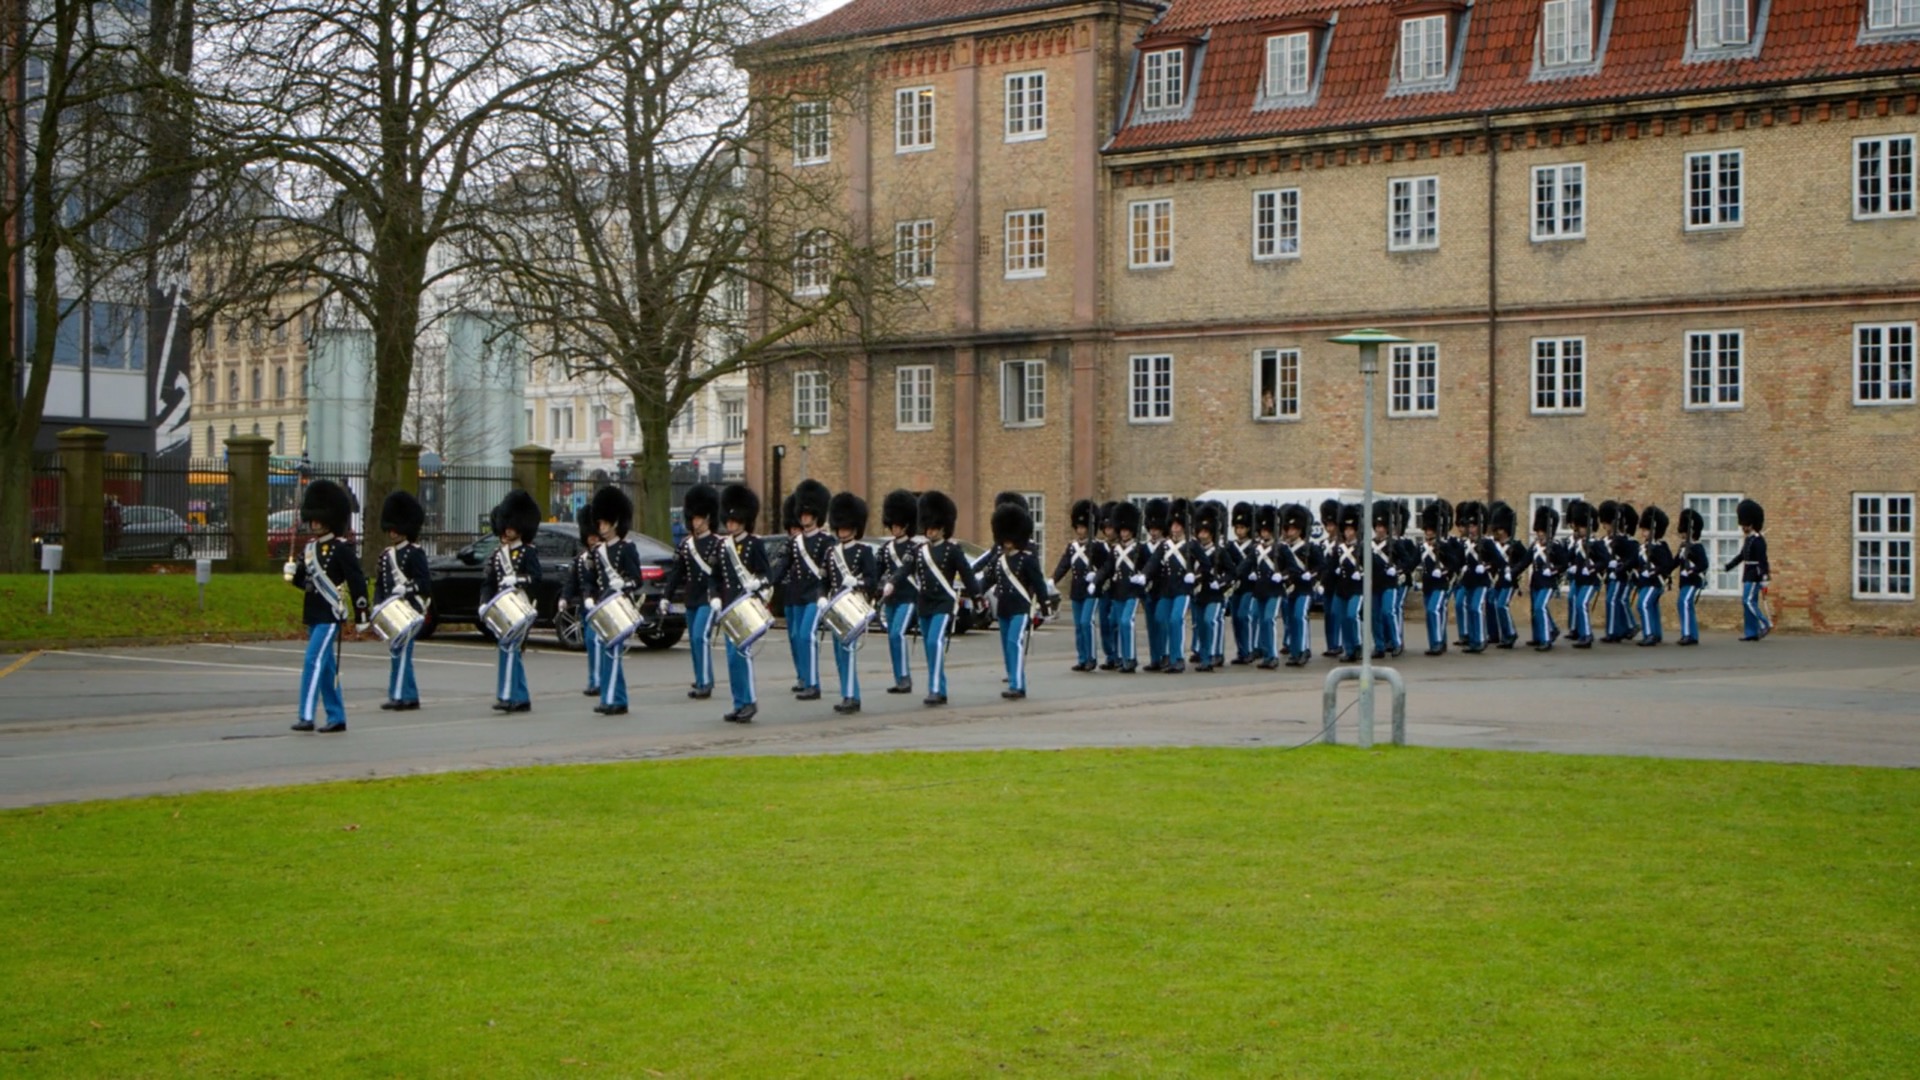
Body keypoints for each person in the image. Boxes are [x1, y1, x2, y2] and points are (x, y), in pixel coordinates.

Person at [885, 490, 980, 705]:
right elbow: (904, 570)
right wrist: (891, 583)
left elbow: (967, 574)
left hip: (943, 602)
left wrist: (978, 596)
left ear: (943, 527)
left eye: (935, 527)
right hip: (925, 603)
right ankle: (938, 686)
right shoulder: (919, 550)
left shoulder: (952, 550)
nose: (931, 531)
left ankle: (936, 689)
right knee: (929, 646)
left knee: (934, 642)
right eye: (928, 527)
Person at [287, 479, 368, 733]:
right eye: (313, 518)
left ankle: (306, 714)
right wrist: (293, 575)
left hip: (330, 615)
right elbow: (305, 583)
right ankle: (337, 716)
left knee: (312, 660)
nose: (315, 523)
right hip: (313, 613)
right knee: (326, 667)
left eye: (319, 518)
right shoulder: (310, 549)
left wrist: (361, 614)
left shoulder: (342, 549)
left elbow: (356, 581)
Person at [714, 483, 772, 722]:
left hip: (746, 605)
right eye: (728, 520)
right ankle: (738, 702)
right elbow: (715, 577)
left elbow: (767, 574)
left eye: (735, 520)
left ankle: (749, 701)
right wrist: (715, 597)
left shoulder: (754, 544)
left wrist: (756, 584)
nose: (731, 524)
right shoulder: (722, 546)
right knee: (731, 658)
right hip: (729, 608)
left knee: (742, 654)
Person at [661, 484, 723, 700]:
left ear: (708, 518)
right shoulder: (686, 545)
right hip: (692, 598)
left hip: (708, 598)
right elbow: (676, 574)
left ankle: (706, 683)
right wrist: (666, 597)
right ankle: (701, 677)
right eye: (693, 518)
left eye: (699, 518)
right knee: (694, 640)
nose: (696, 522)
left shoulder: (719, 544)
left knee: (699, 637)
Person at [985, 500, 1049, 699]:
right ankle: (1013, 678)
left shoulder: (1027, 559)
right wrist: (976, 593)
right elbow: (987, 580)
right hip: (1003, 608)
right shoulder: (999, 560)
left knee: (1014, 642)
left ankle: (1018, 686)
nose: (1007, 541)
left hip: (1021, 608)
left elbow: (1038, 583)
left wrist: (1044, 605)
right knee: (1007, 646)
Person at [486, 489, 543, 713]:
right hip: (502, 604)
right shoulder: (498, 554)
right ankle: (514, 695)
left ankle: (513, 695)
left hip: (519, 602)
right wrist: (484, 601)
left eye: (512, 525)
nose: (508, 530)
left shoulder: (527, 552)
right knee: (505, 647)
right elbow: (489, 581)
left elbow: (536, 577)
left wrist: (518, 580)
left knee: (513, 648)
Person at [589, 486, 643, 716]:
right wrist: (590, 598)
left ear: (614, 522)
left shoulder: (626, 548)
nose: (600, 527)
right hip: (604, 604)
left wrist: (625, 584)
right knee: (606, 651)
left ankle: (614, 699)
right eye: (599, 523)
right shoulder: (598, 551)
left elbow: (637, 579)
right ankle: (614, 698)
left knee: (612, 651)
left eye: (604, 523)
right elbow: (594, 580)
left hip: (619, 605)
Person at [375, 489, 431, 710]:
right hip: (392, 609)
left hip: (410, 608)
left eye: (397, 529)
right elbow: (380, 584)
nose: (393, 533)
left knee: (402, 651)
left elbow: (424, 583)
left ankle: (400, 695)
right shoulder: (386, 555)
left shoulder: (415, 553)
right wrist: (376, 605)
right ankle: (406, 694)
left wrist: (406, 589)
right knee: (396, 651)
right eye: (391, 529)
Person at [823, 491, 876, 714]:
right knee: (839, 654)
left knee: (849, 652)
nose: (842, 531)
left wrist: (858, 581)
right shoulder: (831, 552)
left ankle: (853, 696)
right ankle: (846, 693)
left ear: (855, 527)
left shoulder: (864, 552)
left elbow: (873, 580)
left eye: (846, 527)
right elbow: (824, 579)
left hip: (853, 605)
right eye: (840, 527)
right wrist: (820, 597)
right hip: (836, 606)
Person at [782, 479, 833, 701]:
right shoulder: (796, 542)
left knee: (805, 635)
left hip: (815, 595)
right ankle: (804, 677)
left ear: (816, 515)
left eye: (807, 513)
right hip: (798, 595)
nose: (803, 516)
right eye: (801, 513)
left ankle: (813, 683)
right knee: (796, 636)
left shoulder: (826, 541)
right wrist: (762, 582)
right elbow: (783, 565)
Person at [876, 490, 922, 693]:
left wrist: (892, 581)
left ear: (906, 524)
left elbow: (905, 569)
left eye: (898, 524)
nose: (895, 528)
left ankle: (905, 678)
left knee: (897, 634)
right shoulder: (886, 548)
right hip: (892, 598)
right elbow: (876, 570)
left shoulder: (914, 548)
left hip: (908, 596)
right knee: (891, 637)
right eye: (892, 524)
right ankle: (898, 677)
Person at [1144, 498, 1195, 674]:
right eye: (1172, 524)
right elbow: (1153, 562)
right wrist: (1144, 575)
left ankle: (1178, 658)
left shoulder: (1191, 544)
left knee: (1176, 620)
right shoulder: (1165, 546)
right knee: (1159, 618)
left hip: (1183, 589)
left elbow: (1205, 566)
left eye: (1178, 525)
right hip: (1167, 590)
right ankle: (1166, 655)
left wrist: (1195, 575)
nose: (1174, 528)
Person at [1053, 498, 1104, 672]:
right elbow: (1064, 565)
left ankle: (1091, 657)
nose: (1081, 531)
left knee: (1086, 622)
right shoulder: (1072, 547)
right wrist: (1053, 580)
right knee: (1078, 626)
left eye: (1084, 528)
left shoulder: (1098, 547)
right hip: (1077, 590)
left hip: (1092, 590)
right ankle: (1082, 658)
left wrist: (1096, 576)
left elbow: (1106, 567)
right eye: (1079, 527)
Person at [1097, 501, 1147, 673]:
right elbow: (1107, 568)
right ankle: (1122, 658)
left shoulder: (1140, 548)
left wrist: (1143, 576)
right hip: (1118, 591)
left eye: (1127, 530)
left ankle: (1131, 658)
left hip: (1132, 592)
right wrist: (1095, 581)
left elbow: (1150, 567)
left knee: (1126, 622)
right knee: (1116, 623)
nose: (1124, 532)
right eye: (1122, 530)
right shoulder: (1116, 549)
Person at [559, 503, 603, 698]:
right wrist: (564, 598)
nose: (593, 539)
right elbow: (572, 582)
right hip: (587, 608)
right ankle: (594, 680)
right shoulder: (580, 559)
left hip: (602, 605)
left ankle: (600, 680)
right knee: (590, 643)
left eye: (595, 536)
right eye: (590, 536)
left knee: (595, 641)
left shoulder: (605, 557)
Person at [1189, 505, 1230, 673]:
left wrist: (1220, 582)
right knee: (1200, 625)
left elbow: (1231, 572)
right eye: (1200, 532)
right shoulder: (1192, 551)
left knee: (1209, 621)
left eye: (1206, 532)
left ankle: (1212, 655)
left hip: (1214, 594)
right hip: (1199, 593)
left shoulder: (1220, 552)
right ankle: (1204, 657)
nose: (1202, 535)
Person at [1454, 501, 1498, 654]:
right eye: (1470, 526)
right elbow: (1458, 561)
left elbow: (1498, 561)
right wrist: (1460, 567)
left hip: (1481, 581)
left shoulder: (1487, 543)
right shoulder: (1465, 544)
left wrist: (1486, 566)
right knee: (1470, 609)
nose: (1471, 529)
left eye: (1474, 526)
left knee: (1476, 608)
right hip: (1468, 581)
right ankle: (1473, 640)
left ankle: (1480, 639)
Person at [1528, 505, 1566, 651]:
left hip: (1549, 582)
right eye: (1538, 531)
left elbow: (1564, 563)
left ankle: (1546, 640)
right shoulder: (1534, 546)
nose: (1540, 534)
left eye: (1542, 531)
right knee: (1536, 609)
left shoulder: (1555, 546)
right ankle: (1544, 633)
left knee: (1540, 607)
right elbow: (1525, 562)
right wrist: (1511, 572)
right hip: (1536, 581)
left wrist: (1554, 570)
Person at [1635, 506, 1675, 646]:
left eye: (1646, 530)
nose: (1643, 533)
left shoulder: (1660, 547)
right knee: (1651, 607)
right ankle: (1656, 633)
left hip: (1655, 582)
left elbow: (1667, 565)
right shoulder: (1643, 547)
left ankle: (1649, 634)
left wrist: (1654, 571)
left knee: (1643, 604)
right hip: (1646, 582)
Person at [1565, 500, 1601, 649]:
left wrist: (1592, 567)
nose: (1577, 529)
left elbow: (1604, 561)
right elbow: (1569, 558)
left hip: (1592, 580)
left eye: (1580, 526)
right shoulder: (1578, 543)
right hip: (1580, 579)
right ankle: (1582, 633)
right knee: (1577, 604)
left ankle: (1587, 635)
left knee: (1581, 604)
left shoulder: (1596, 543)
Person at [1487, 501, 1522, 650]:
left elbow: (1525, 561)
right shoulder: (1494, 545)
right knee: (1490, 603)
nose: (1498, 532)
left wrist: (1513, 570)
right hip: (1496, 581)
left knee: (1502, 605)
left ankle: (1510, 634)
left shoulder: (1516, 546)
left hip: (1509, 582)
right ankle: (1494, 634)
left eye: (1500, 529)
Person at [1604, 503, 1642, 643]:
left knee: (1613, 600)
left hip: (1624, 576)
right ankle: (1619, 629)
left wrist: (1620, 565)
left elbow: (1633, 560)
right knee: (1614, 601)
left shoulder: (1630, 542)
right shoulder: (1609, 540)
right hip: (1612, 575)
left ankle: (1615, 631)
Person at [1227, 502, 1259, 664]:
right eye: (1237, 527)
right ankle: (1241, 650)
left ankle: (1249, 649)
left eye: (1243, 527)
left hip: (1250, 587)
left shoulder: (1255, 546)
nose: (1239, 531)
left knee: (1244, 616)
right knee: (1236, 619)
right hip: (1235, 587)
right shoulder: (1230, 546)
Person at [1674, 508, 1709, 646]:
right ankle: (1689, 633)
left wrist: (1691, 571)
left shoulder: (1697, 547)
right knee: (1682, 603)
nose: (1682, 536)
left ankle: (1689, 635)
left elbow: (1704, 564)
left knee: (1685, 602)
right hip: (1685, 581)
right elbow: (1675, 562)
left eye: (1684, 533)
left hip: (1694, 580)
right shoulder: (1683, 546)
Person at [1096, 502, 1123, 669]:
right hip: (1104, 588)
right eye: (1106, 528)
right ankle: (1110, 655)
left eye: (1111, 528)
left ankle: (1119, 654)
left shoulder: (1122, 547)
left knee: (1115, 622)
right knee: (1104, 623)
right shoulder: (1100, 547)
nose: (1108, 532)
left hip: (1118, 588)